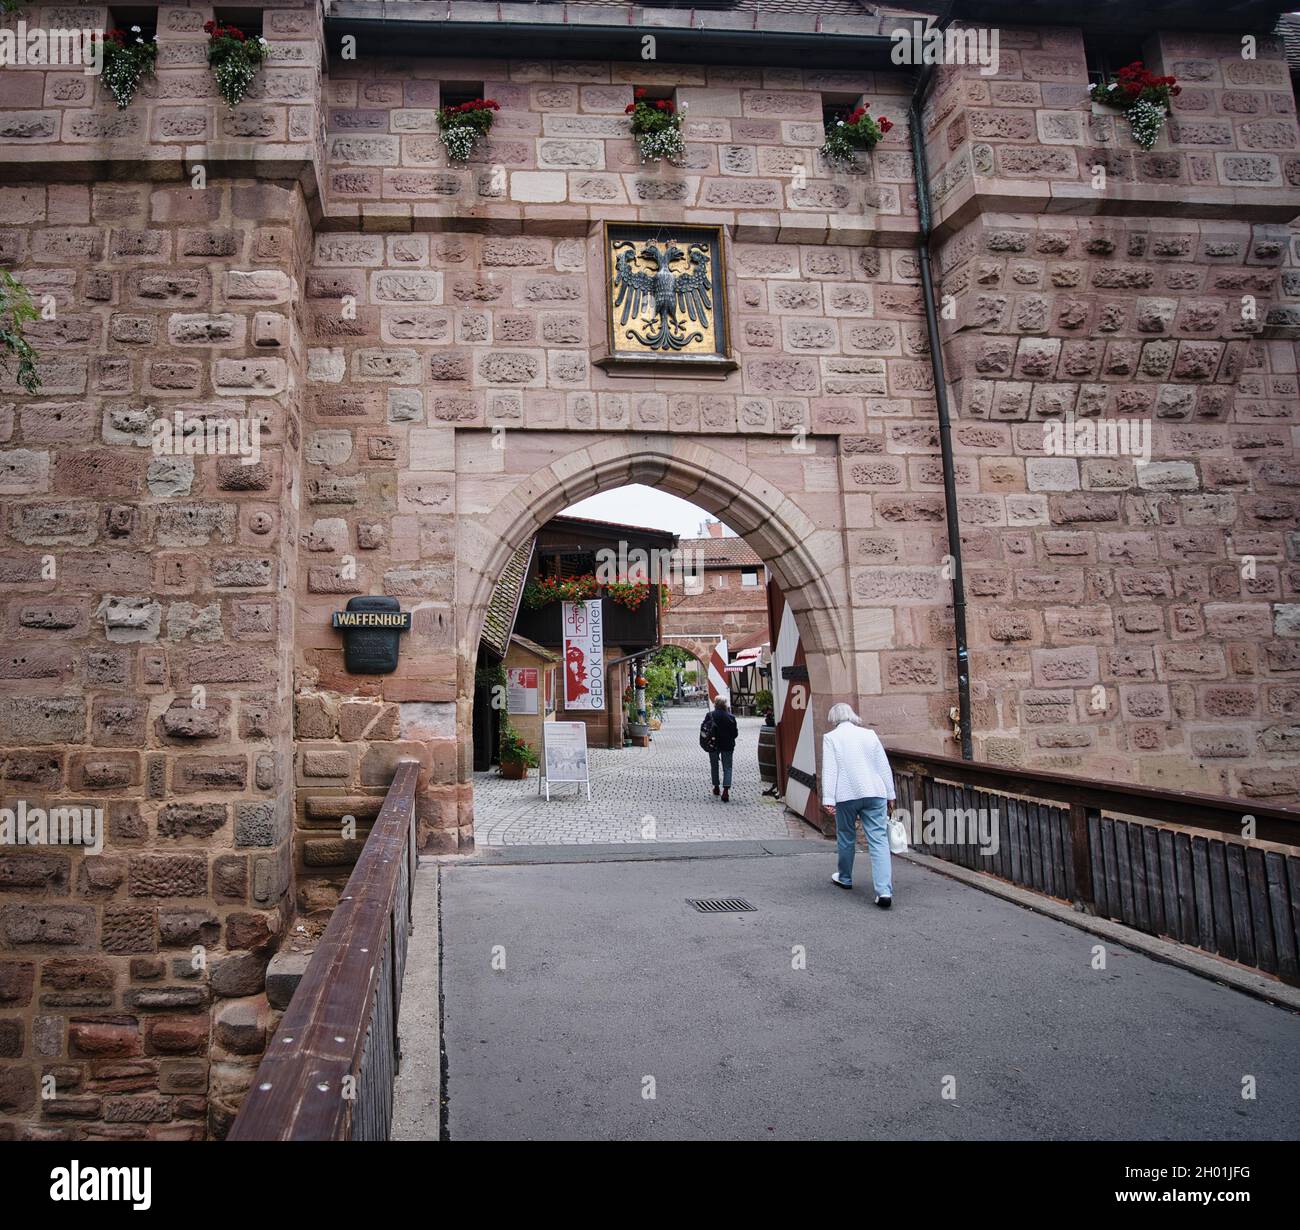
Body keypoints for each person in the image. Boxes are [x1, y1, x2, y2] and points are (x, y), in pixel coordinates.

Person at [820, 703, 896, 908]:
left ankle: (845, 877)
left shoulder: (831, 738)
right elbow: (883, 765)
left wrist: (828, 798)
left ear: (833, 719)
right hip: (874, 792)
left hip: (847, 795)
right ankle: (884, 891)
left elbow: (830, 769)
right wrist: (890, 793)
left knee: (846, 837)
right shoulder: (869, 735)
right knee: (879, 841)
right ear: (852, 716)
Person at [700, 696, 739, 802]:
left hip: (712, 744)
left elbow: (704, 729)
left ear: (715, 704)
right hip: (727, 745)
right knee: (727, 767)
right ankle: (726, 791)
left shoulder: (710, 715)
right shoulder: (731, 717)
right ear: (725, 705)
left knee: (714, 766)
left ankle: (716, 787)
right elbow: (735, 734)